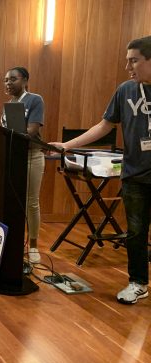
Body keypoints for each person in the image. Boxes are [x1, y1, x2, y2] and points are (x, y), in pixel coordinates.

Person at [50, 36, 151, 305]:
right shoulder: (125, 91)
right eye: (127, 60)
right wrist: (66, 146)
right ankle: (138, 283)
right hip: (135, 176)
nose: (128, 66)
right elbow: (103, 126)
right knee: (136, 232)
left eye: (134, 60)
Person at [1, 66, 45, 267]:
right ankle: (14, 242)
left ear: (25, 80)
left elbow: (32, 131)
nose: (8, 83)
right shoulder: (9, 104)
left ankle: (33, 245)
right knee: (13, 201)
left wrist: (8, 132)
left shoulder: (34, 99)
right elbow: (7, 131)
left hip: (31, 156)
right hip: (13, 157)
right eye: (6, 80)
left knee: (31, 202)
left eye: (13, 79)